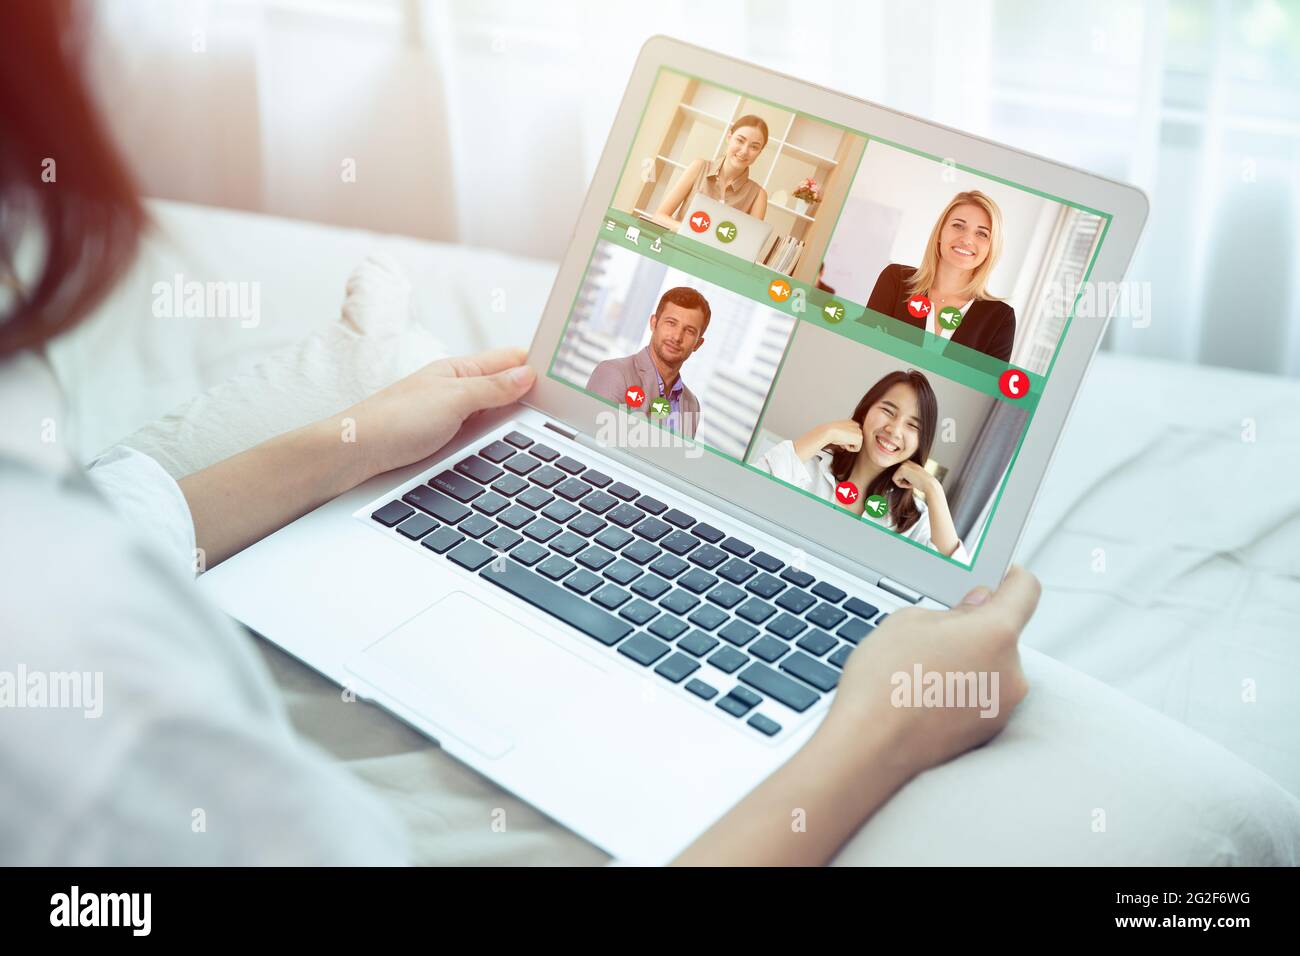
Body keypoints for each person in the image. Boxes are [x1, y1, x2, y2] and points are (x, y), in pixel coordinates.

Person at [1, 0, 1037, 866]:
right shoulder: (84, 686)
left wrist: (356, 439)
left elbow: (108, 517)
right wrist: (878, 730)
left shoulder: (42, 533)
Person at [753, 370, 968, 561]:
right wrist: (824, 433)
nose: (894, 430)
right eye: (888, 411)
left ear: (922, 442)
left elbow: (955, 583)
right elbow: (746, 489)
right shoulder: (807, 465)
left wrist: (934, 489)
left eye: (912, 425)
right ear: (865, 411)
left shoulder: (915, 521)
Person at [867, 191, 1016, 363]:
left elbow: (985, 389)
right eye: (958, 226)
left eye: (982, 234)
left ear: (991, 247)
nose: (967, 239)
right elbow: (863, 349)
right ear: (940, 233)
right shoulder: (895, 280)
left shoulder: (1000, 319)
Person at [585, 287, 706, 438]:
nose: (677, 337)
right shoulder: (613, 374)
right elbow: (592, 444)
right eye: (671, 323)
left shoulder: (692, 405)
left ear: (698, 344)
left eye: (689, 331)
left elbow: (680, 459)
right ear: (654, 323)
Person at [651, 115, 770, 228]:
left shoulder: (758, 195)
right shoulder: (699, 167)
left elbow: (748, 245)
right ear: (729, 137)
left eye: (754, 147)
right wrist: (691, 232)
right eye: (740, 140)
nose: (744, 151)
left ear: (760, 152)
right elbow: (659, 217)